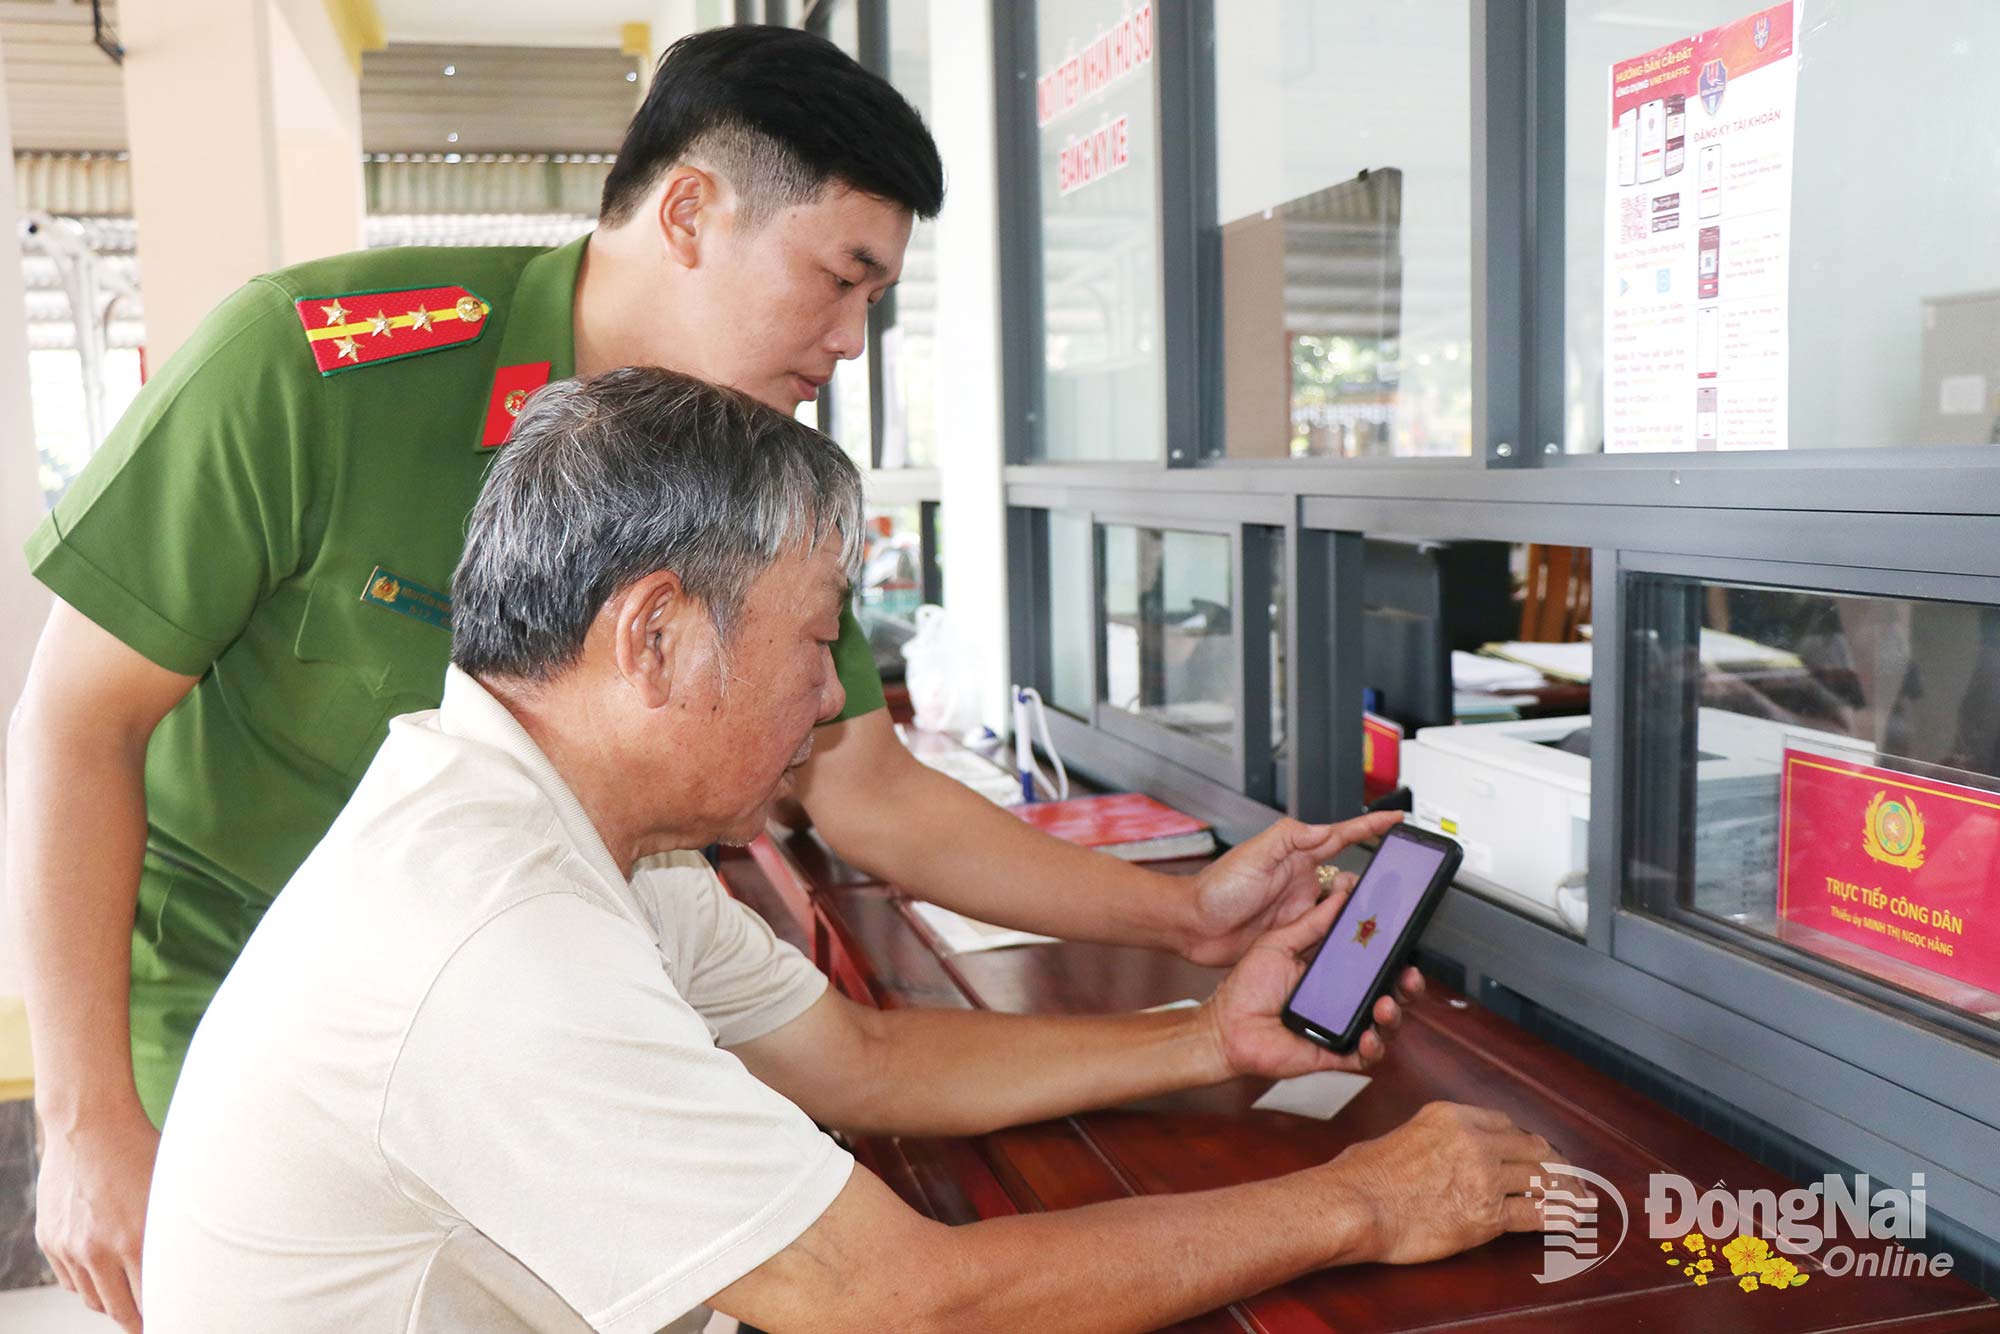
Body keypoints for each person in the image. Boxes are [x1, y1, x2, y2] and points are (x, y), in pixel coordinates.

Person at [7, 24, 1405, 1330]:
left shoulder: (719, 575)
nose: (852, 338)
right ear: (689, 216)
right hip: (232, 1002)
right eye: (841, 276)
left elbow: (868, 818)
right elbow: (76, 721)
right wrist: (87, 1122)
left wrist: (1190, 939)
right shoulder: (318, 369)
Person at [142, 369, 1566, 1334]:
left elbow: (862, 1063)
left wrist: (1215, 1036)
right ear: (655, 636)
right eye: (817, 636)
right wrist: (1367, 1199)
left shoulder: (577, 827)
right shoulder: (493, 937)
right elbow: (907, 1301)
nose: (832, 694)